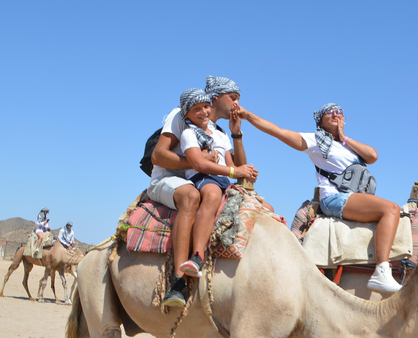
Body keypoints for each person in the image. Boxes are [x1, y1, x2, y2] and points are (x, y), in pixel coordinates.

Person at [235, 102, 402, 293]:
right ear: (320, 121)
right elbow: (278, 131)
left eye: (339, 112)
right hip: (335, 198)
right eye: (329, 112)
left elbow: (372, 156)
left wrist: (344, 137)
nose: (335, 114)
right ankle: (382, 270)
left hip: (354, 195)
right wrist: (247, 115)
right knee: (391, 209)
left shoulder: (348, 145)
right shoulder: (316, 141)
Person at [147, 77, 253, 307]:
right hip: (170, 179)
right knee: (192, 196)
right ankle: (179, 281)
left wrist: (237, 135)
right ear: (217, 98)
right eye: (233, 98)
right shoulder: (180, 117)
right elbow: (158, 156)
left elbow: (237, 168)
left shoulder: (219, 132)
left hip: (205, 177)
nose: (237, 105)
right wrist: (199, 161)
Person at [177, 88, 257, 279]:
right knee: (212, 195)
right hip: (202, 177)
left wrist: (236, 133)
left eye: (205, 106)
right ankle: (197, 256)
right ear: (186, 113)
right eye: (197, 109)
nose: (204, 111)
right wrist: (234, 171)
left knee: (262, 206)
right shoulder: (189, 134)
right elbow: (199, 164)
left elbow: (232, 165)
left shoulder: (220, 135)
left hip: (223, 179)